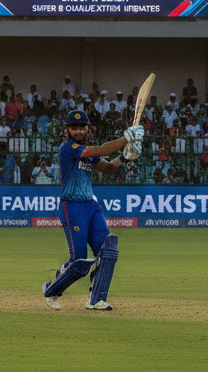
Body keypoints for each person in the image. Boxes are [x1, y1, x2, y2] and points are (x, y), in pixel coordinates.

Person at [40, 108, 143, 311]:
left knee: (108, 250)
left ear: (87, 128)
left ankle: (96, 299)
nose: (78, 131)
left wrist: (126, 156)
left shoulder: (87, 153)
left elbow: (109, 167)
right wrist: (126, 138)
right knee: (79, 264)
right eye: (74, 128)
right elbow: (101, 150)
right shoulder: (68, 148)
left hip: (91, 206)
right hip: (72, 207)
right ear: (68, 130)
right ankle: (51, 289)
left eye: (82, 128)